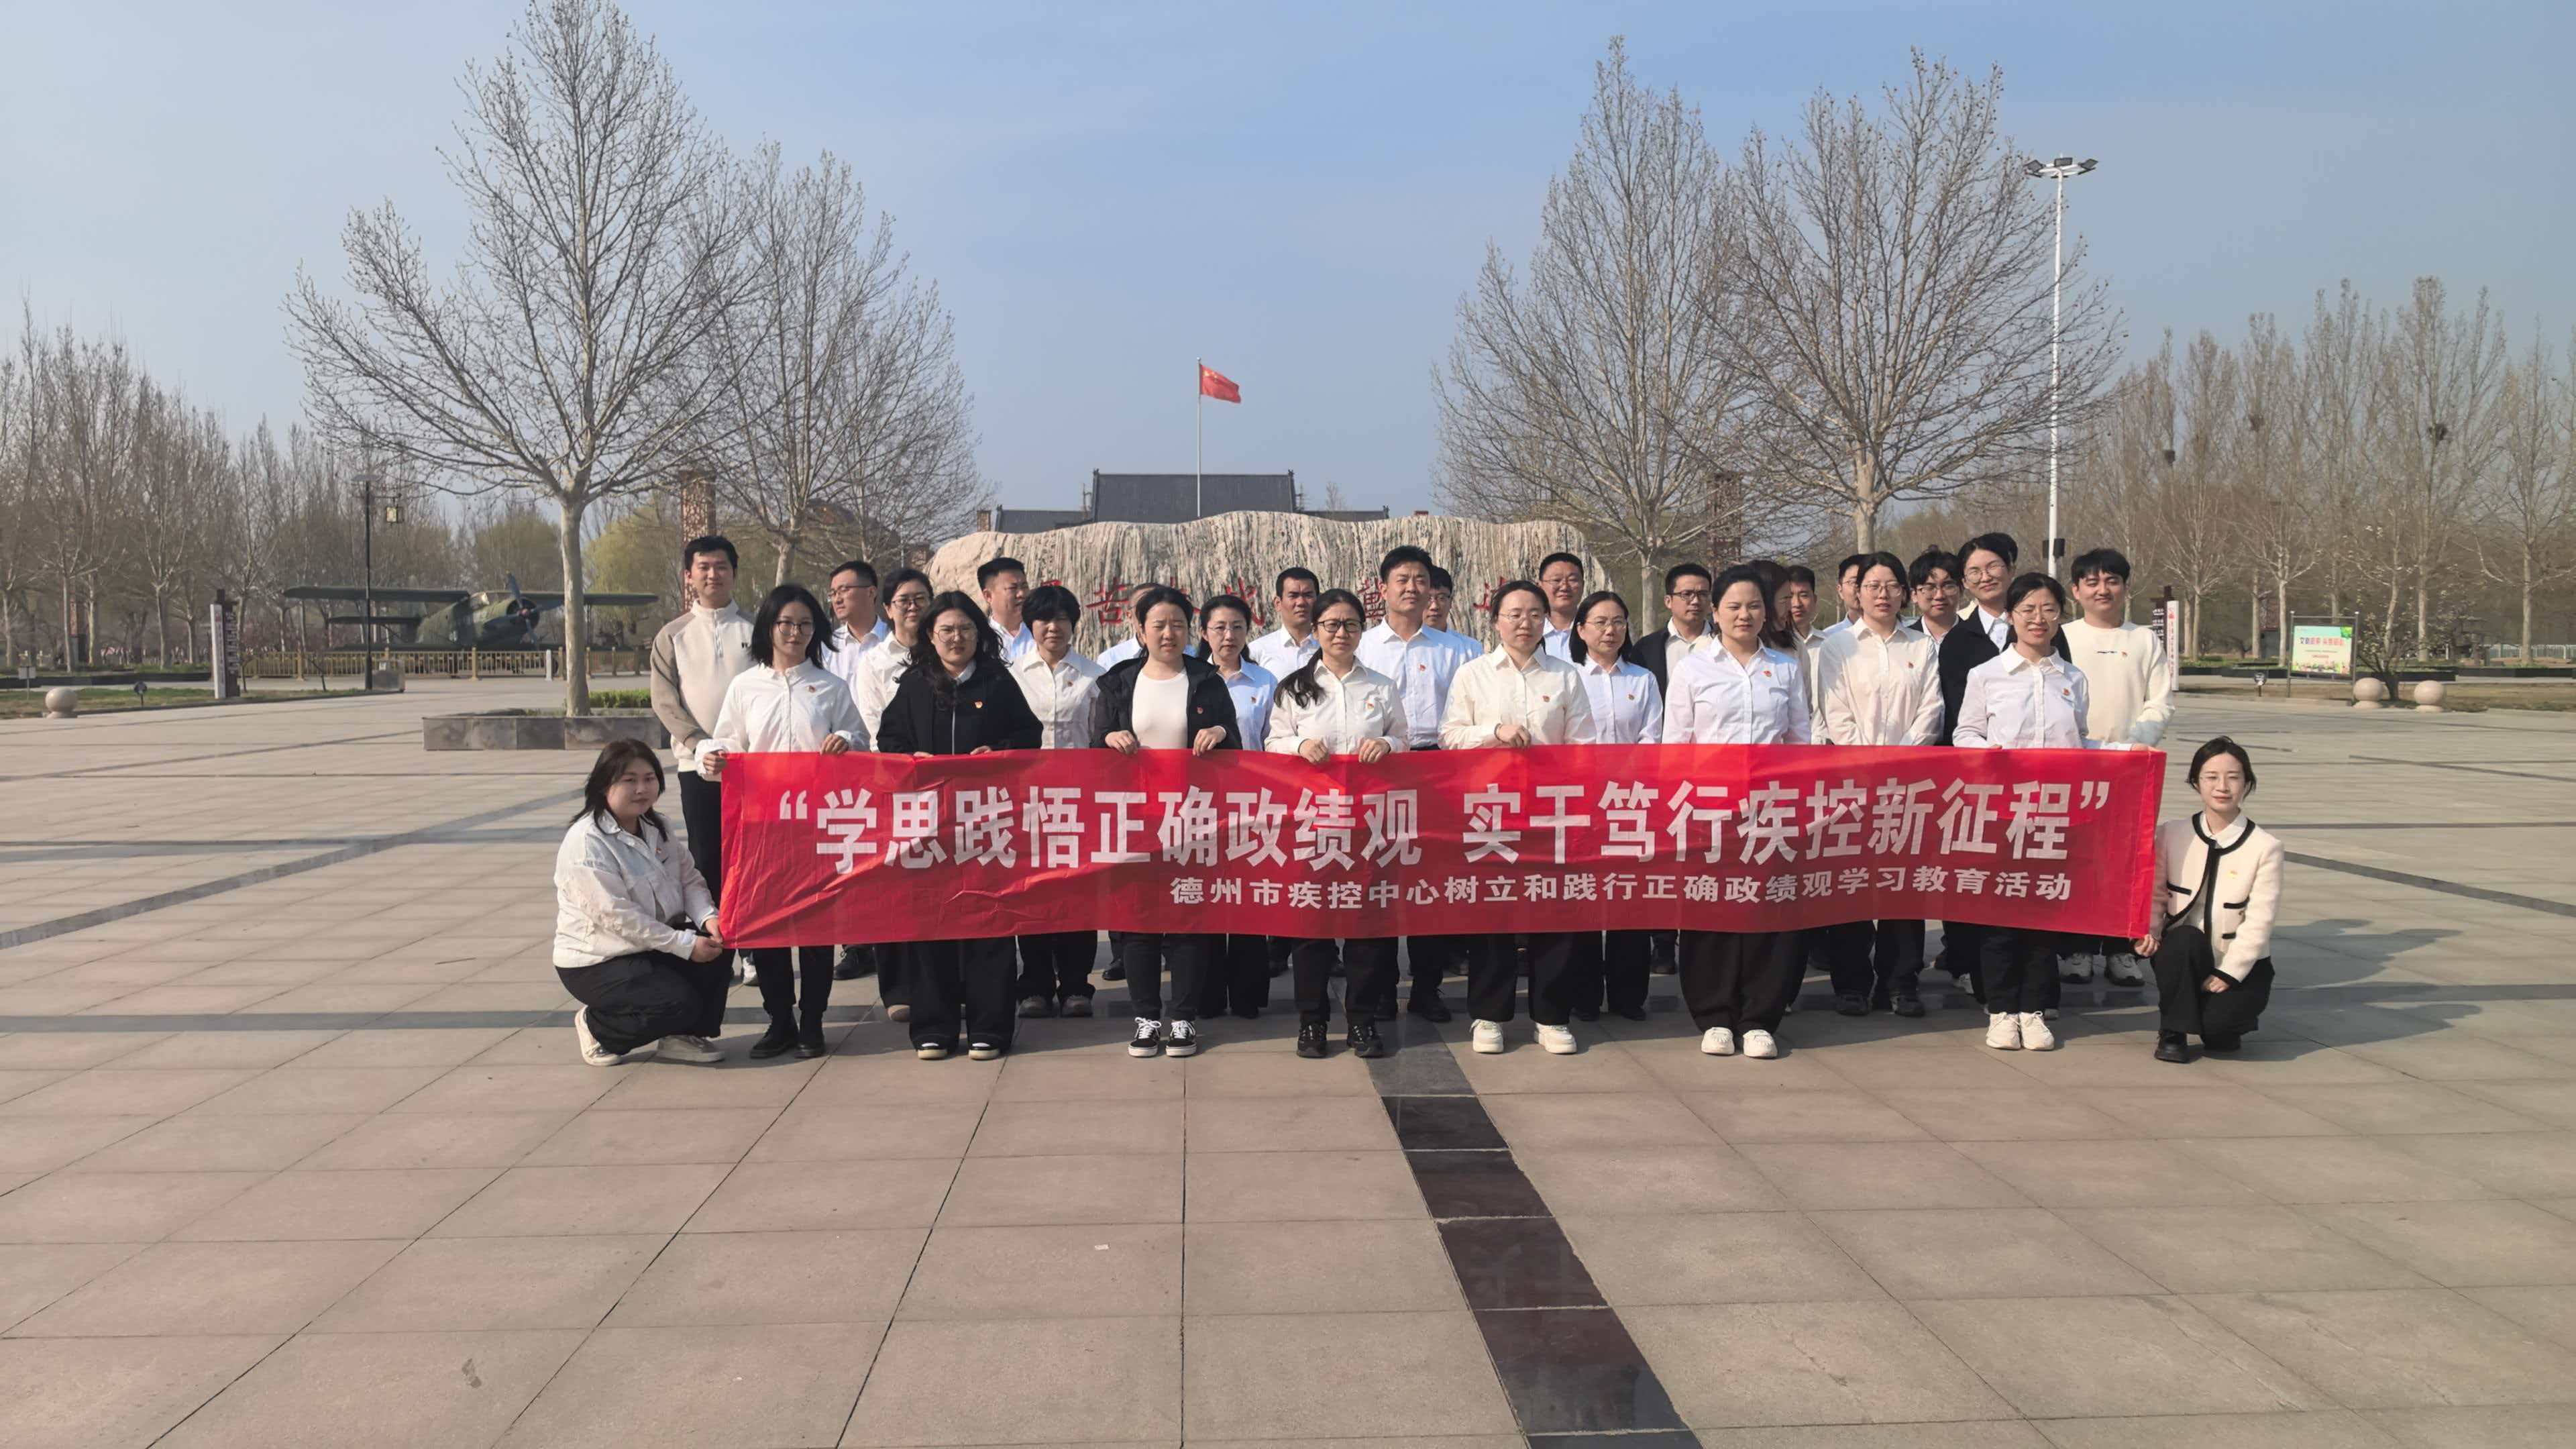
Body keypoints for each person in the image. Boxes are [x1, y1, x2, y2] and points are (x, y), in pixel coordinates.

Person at [698, 583, 868, 1059]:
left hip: (817, 826)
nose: (796, 633)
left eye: (806, 624)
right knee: (768, 927)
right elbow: (726, 743)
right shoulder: (746, 686)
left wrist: (846, 740)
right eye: (786, 624)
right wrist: (713, 758)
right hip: (764, 826)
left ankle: (813, 1021)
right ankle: (780, 1020)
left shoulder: (831, 687)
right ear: (768, 628)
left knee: (816, 929)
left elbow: (861, 739)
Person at [878, 592, 1044, 1061]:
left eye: (966, 629)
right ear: (931, 636)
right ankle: (935, 1027)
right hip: (929, 825)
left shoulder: (997, 680)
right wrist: (911, 759)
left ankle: (991, 1027)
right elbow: (888, 739)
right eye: (947, 630)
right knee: (931, 923)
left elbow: (1029, 735)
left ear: (979, 634)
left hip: (986, 822)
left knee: (989, 922)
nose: (957, 638)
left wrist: (1000, 752)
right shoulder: (916, 684)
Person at [1442, 580, 1599, 1055]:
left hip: (1551, 810)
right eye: (1514, 614)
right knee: (1493, 914)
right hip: (1490, 809)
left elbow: (1585, 744)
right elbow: (1449, 736)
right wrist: (1494, 732)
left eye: (1534, 614)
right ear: (1496, 621)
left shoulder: (1566, 676)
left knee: (1554, 912)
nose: (1524, 623)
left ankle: (1551, 1016)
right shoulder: (1473, 675)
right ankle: (1489, 1014)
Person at [1665, 564, 1811, 1060]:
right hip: (1710, 807)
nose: (1744, 615)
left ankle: (1760, 1017)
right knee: (1712, 909)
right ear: (1716, 611)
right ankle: (1714, 1014)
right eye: (1734, 606)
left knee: (1769, 907)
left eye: (1753, 606)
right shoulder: (1692, 668)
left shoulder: (1785, 668)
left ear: (1766, 612)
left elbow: (1799, 740)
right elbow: (1676, 745)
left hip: (1771, 808)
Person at [1954, 572, 2101, 1052]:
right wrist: (1989, 755)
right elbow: (1964, 733)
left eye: (2049, 610)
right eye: (2028, 610)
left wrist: (2124, 753)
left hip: (2055, 815)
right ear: (2012, 616)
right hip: (2001, 813)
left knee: (2044, 916)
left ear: (2061, 616)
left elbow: (2081, 740)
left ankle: (2034, 1009)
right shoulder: (1987, 674)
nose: (2039, 619)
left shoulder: (2073, 678)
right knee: (1999, 917)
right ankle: (2001, 1010)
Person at [1094, 586, 1240, 1059]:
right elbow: (1094, 746)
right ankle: (1145, 1018)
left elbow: (1235, 743)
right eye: (1158, 624)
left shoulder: (1206, 680)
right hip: (1136, 818)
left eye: (1177, 624)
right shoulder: (1118, 682)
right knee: (1138, 924)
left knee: (1187, 920)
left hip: (1192, 817)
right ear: (1140, 630)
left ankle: (1183, 1018)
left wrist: (1219, 731)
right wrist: (1109, 737)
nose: (1168, 633)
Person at [1265, 588, 1408, 1059]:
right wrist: (1299, 746)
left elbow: (1403, 737)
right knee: (1312, 928)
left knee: (1366, 928)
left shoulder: (1381, 686)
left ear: (1361, 630)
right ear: (1316, 630)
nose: (1340, 633)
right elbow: (1272, 743)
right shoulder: (1294, 688)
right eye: (1331, 624)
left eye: (1350, 624)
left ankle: (1362, 1022)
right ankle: (1312, 1022)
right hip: (1314, 822)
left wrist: (1387, 745)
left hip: (1369, 823)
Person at [1815, 551, 1943, 1018]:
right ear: (1857, 592)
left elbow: (1931, 710)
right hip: (1852, 783)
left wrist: (1900, 760)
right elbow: (1836, 714)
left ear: (1904, 592)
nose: (1882, 594)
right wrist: (1868, 764)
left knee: (1903, 887)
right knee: (1851, 885)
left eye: (1891, 586)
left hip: (1909, 785)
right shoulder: (1838, 647)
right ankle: (1851, 983)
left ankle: (1901, 982)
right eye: (1872, 586)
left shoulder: (1921, 646)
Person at [551, 740, 727, 1067]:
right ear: (604, 784)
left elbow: (689, 879)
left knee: (718, 947)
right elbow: (619, 918)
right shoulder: (587, 842)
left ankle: (681, 1036)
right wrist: (684, 945)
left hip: (650, 943)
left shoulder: (657, 826)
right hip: (599, 960)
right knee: (676, 1001)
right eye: (629, 780)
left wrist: (708, 918)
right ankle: (598, 1028)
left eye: (649, 779)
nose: (641, 789)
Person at [1358, 546, 1479, 1021]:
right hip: (1379, 770)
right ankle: (1381, 988)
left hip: (1440, 770)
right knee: (1380, 881)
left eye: (1421, 580)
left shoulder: (1461, 651)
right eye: (1402, 579)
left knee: (1432, 883)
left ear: (1433, 589)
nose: (1412, 588)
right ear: (1382, 588)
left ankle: (1428, 988)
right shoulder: (1362, 646)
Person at [2062, 546, 2178, 987]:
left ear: (2126, 588)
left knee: (2125, 862)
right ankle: (2075, 948)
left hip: (2129, 767)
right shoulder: (2063, 637)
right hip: (2075, 765)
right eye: (2091, 582)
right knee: (2076, 860)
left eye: (2112, 581)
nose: (2102, 589)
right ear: (2076, 590)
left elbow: (2159, 701)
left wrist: (2135, 744)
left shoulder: (2144, 640)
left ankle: (2120, 950)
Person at [647, 535, 754, 981]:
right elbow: (664, 699)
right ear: (689, 575)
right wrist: (698, 743)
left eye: (721, 566)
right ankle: (717, 946)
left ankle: (753, 947)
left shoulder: (757, 630)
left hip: (752, 769)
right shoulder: (672, 635)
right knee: (706, 858)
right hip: (698, 767)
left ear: (735, 572)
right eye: (704, 567)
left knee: (752, 857)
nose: (714, 575)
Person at [2140, 737, 2282, 1063]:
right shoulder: (2172, 833)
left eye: (2233, 777)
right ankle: (2173, 1031)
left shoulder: (2265, 847)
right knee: (2184, 939)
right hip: (2184, 953)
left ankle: (2215, 1016)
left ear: (2247, 783)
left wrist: (2231, 972)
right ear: (2196, 782)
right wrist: (2148, 932)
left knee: (2221, 1036)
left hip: (2236, 958)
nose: (2222, 787)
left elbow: (2260, 921)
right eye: (2211, 777)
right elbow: (2156, 894)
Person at [1010, 584, 1105, 1020]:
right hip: (1025, 803)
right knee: (1031, 895)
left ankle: (1076, 985)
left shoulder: (1093, 676)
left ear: (1073, 624)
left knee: (1077, 894)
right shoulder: (1012, 675)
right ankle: (1034, 985)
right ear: (1030, 626)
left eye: (1062, 619)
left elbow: (1101, 737)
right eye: (1044, 620)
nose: (1053, 627)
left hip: (1079, 802)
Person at [1568, 589, 1660, 1022]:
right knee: (1585, 899)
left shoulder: (1642, 680)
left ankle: (1628, 996)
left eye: (1619, 622)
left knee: (1629, 898)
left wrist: (1626, 777)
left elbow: (1653, 737)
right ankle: (1584, 995)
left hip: (1630, 802)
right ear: (1581, 629)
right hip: (1581, 801)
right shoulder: (1568, 677)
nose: (1610, 630)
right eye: (1601, 622)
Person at [1195, 594, 1280, 1020]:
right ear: (1204, 632)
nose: (1228, 636)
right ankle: (1207, 995)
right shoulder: (1191, 679)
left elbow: (1273, 741)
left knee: (1249, 898)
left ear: (1249, 632)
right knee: (1207, 899)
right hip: (1200, 804)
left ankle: (1248, 995)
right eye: (1219, 628)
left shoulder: (1265, 682)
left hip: (1252, 802)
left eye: (1237, 627)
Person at [821, 559, 888, 983]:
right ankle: (855, 943)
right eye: (833, 592)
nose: (838, 598)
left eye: (845, 589)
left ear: (871, 592)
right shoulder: (825, 647)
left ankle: (890, 938)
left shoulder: (896, 640)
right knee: (848, 854)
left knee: (889, 855)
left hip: (890, 762)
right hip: (843, 766)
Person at [1627, 563, 1716, 695]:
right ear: (1668, 601)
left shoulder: (1724, 642)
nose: (1696, 601)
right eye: (1687, 594)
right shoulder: (1645, 649)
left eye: (1703, 594)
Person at [1250, 567, 1322, 676]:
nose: (1301, 602)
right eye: (1293, 596)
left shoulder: (1331, 646)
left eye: (1308, 595)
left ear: (1319, 600)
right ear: (1278, 603)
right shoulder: (1257, 651)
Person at [978, 556, 1036, 663]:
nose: (1022, 594)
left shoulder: (1042, 632)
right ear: (988, 596)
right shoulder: (979, 640)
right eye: (1012, 588)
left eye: (1024, 587)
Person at [1538, 551, 1585, 659]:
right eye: (1556, 580)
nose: (1565, 587)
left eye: (1573, 580)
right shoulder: (1530, 631)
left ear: (1583, 585)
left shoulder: (1595, 632)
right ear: (1540, 587)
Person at [1909, 548, 1964, 641]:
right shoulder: (1903, 641)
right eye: (1929, 588)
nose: (1939, 596)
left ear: (1961, 589)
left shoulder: (1981, 639)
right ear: (1914, 595)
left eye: (1948, 586)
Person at [1821, 553, 1866, 636]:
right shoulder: (1828, 637)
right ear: (1840, 591)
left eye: (1867, 582)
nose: (1860, 588)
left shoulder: (1890, 634)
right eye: (1853, 582)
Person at [1424, 564, 1458, 637]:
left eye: (1441, 598)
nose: (1434, 606)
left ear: (1450, 602)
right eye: (1428, 598)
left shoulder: (1468, 644)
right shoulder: (1403, 643)